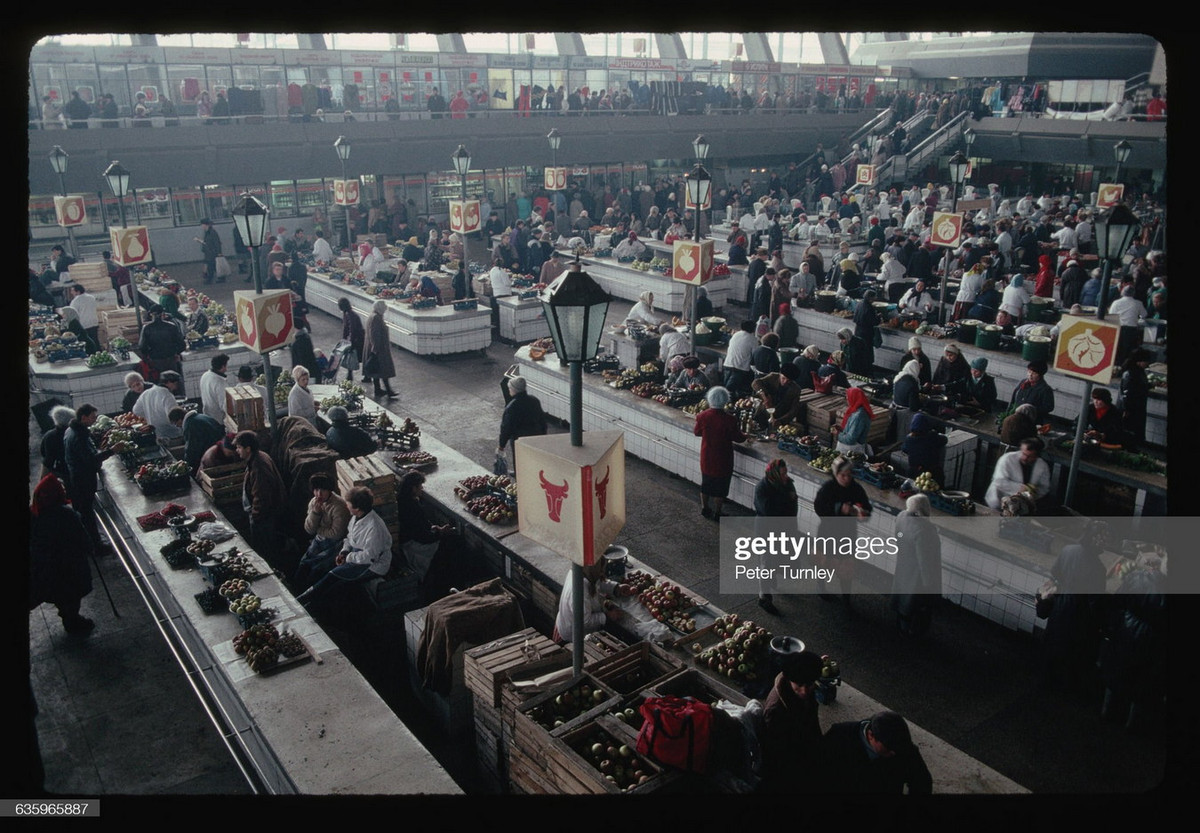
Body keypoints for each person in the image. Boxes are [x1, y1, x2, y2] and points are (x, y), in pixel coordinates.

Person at [296, 486, 393, 613]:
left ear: (357, 508)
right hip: (357, 557)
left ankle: (310, 606)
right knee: (328, 573)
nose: (346, 506)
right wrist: (344, 552)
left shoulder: (374, 527)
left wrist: (348, 557)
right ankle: (303, 600)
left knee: (335, 583)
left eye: (348, 504)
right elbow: (349, 538)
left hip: (373, 565)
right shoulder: (356, 517)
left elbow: (370, 557)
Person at [1099, 551, 1167, 731]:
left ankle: (1106, 712)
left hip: (1127, 632)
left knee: (1116, 673)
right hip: (1155, 642)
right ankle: (1132, 724)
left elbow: (1117, 602)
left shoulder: (1137, 577)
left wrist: (1112, 627)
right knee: (1143, 684)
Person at [1041, 520, 1108, 695]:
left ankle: (1046, 684)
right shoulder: (1098, 568)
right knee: (1071, 654)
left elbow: (1055, 575)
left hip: (1060, 606)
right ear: (1096, 540)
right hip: (1079, 614)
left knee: (1053, 645)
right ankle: (1064, 692)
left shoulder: (1068, 550)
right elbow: (1095, 601)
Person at [29, 474, 95, 635]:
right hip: (70, 566)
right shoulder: (68, 515)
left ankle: (66, 614)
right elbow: (82, 538)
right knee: (72, 595)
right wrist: (90, 548)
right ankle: (72, 620)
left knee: (59, 594)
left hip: (46, 567)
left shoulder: (34, 514)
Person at [816, 711, 933, 794]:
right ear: (871, 735)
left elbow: (922, 782)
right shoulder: (840, 736)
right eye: (888, 748)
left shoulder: (902, 746)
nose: (894, 753)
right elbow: (820, 770)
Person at [757, 649, 824, 792]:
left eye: (809, 685)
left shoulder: (803, 693)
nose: (804, 691)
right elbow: (777, 752)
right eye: (799, 685)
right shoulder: (776, 710)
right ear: (789, 681)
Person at [813, 456, 872, 603]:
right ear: (836, 474)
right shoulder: (828, 488)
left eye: (849, 475)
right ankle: (821, 587)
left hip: (847, 534)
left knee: (846, 566)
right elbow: (819, 507)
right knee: (824, 562)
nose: (846, 479)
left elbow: (866, 507)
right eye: (843, 475)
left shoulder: (856, 489)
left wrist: (864, 513)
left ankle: (846, 597)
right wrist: (839, 508)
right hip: (828, 532)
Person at [63, 404, 113, 555]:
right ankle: (96, 546)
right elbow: (90, 460)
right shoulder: (79, 436)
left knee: (83, 510)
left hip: (75, 475)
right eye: (92, 417)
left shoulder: (70, 430)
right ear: (83, 417)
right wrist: (112, 451)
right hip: (83, 478)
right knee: (87, 512)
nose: (95, 420)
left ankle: (89, 542)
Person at [891, 493, 942, 637]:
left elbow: (898, 536)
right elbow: (925, 560)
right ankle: (911, 632)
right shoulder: (923, 530)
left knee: (902, 595)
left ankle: (900, 624)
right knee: (915, 603)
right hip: (917, 573)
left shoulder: (901, 516)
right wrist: (929, 584)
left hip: (903, 563)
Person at [235, 430, 287, 568]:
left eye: (239, 447)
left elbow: (262, 496)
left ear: (248, 448)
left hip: (265, 517)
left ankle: (272, 570)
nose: (237, 450)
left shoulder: (259, 466)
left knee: (265, 549)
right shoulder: (258, 457)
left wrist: (256, 516)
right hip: (266, 514)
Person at [752, 459, 798, 616]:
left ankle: (771, 579)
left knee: (776, 558)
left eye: (786, 473)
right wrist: (787, 499)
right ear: (774, 474)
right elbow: (768, 510)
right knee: (766, 562)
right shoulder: (762, 487)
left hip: (783, 529)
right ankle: (764, 597)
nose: (786, 476)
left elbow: (792, 508)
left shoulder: (787, 484)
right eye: (783, 473)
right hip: (766, 530)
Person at [292, 473, 352, 593]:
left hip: (336, 543)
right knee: (304, 563)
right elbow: (309, 529)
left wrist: (318, 529)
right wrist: (315, 513)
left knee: (316, 568)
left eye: (323, 490)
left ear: (329, 490)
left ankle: (309, 595)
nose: (319, 494)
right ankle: (295, 591)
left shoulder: (339, 506)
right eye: (316, 490)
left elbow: (336, 534)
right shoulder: (314, 502)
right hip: (320, 539)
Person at [693, 386, 746, 521]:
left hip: (707, 456)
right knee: (720, 488)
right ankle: (718, 512)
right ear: (725, 401)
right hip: (723, 458)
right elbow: (738, 438)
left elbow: (697, 432)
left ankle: (705, 508)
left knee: (706, 484)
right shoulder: (730, 419)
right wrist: (746, 436)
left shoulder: (702, 416)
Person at [552, 558, 621, 644]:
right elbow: (585, 621)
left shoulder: (584, 572)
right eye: (600, 571)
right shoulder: (579, 590)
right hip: (572, 637)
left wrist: (615, 588)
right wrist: (607, 616)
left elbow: (598, 583)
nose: (602, 573)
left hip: (570, 625)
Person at [985, 437, 1051, 511]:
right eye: (1023, 453)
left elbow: (1044, 487)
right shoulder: (1007, 459)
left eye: (1029, 456)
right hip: (998, 501)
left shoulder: (1042, 466)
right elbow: (999, 481)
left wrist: (1033, 493)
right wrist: (1022, 488)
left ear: (1036, 456)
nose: (1025, 458)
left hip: (1023, 505)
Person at [497, 376, 548, 471]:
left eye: (510, 388)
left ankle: (520, 476)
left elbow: (506, 428)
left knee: (520, 462)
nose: (509, 390)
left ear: (514, 389)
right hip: (536, 435)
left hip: (519, 439)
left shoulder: (512, 407)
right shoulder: (534, 400)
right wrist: (543, 435)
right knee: (534, 459)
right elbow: (542, 420)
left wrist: (501, 445)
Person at [169, 407, 225, 475]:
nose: (177, 426)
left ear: (180, 420)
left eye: (175, 423)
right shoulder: (201, 416)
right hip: (221, 449)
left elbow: (192, 449)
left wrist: (186, 465)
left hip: (213, 456)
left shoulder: (190, 425)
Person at [138, 304, 186, 383]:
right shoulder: (171, 326)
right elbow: (182, 345)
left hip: (155, 361)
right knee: (173, 382)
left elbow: (142, 346)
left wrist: (149, 355)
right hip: (171, 360)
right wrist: (176, 353)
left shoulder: (147, 328)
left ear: (151, 314)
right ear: (163, 314)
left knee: (159, 383)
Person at [362, 299, 398, 399]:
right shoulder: (376, 318)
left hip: (373, 347)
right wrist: (375, 349)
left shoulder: (373, 316)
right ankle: (388, 390)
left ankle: (378, 389)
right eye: (384, 308)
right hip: (379, 349)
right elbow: (375, 334)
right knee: (383, 370)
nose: (385, 310)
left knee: (376, 370)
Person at [133, 370, 184, 439]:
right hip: (171, 434)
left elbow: (136, 410)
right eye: (175, 383)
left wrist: (149, 416)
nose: (176, 386)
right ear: (169, 382)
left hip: (155, 433)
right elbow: (173, 415)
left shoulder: (146, 393)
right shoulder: (167, 395)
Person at [1117, 349, 1151, 450]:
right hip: (1131, 409)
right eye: (1146, 361)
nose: (1147, 364)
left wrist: (1150, 385)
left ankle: (1131, 449)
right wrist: (1126, 409)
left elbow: (1139, 387)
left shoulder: (1138, 372)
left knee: (1133, 432)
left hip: (1137, 408)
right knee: (1128, 431)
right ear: (1139, 361)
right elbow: (1127, 393)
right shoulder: (1130, 373)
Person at [901, 412, 947, 485]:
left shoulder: (909, 439)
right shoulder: (931, 437)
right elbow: (944, 440)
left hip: (914, 472)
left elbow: (904, 449)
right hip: (931, 473)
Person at [832, 387, 873, 456]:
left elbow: (850, 440)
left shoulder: (859, 416)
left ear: (854, 398)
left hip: (851, 451)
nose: (847, 399)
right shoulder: (857, 410)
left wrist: (838, 434)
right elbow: (853, 430)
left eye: (848, 397)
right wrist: (841, 429)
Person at [39, 405, 75, 485]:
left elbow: (47, 461)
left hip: (62, 474)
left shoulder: (50, 436)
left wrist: (41, 483)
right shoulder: (75, 434)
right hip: (78, 473)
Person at [723, 320, 757, 398]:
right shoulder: (753, 339)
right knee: (729, 391)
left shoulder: (736, 335)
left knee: (727, 388)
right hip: (740, 368)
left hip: (728, 364)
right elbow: (755, 355)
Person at [336, 296, 365, 382]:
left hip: (357, 340)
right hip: (357, 339)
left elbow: (352, 330)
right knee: (357, 356)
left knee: (354, 356)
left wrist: (349, 341)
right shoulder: (348, 313)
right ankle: (351, 374)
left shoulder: (349, 315)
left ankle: (350, 375)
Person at [199, 354, 229, 423]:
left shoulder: (205, 375)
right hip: (218, 419)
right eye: (226, 365)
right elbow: (224, 405)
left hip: (206, 415)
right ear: (223, 366)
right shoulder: (220, 383)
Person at [195, 218, 224, 285]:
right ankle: (219, 277)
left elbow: (216, 242)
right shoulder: (210, 232)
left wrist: (219, 252)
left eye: (202, 224)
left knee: (211, 266)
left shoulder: (211, 233)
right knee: (213, 266)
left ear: (205, 225)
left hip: (211, 252)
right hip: (210, 252)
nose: (202, 226)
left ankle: (210, 279)